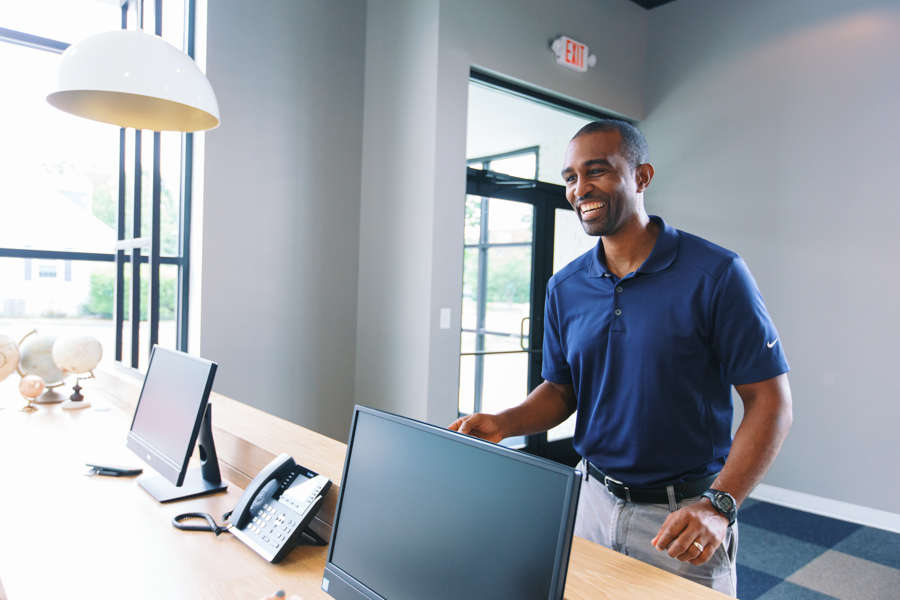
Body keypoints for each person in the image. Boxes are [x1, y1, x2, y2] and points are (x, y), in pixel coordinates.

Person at [449, 120, 792, 596]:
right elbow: (562, 390)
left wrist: (720, 505)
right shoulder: (565, 287)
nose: (579, 189)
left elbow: (771, 402)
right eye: (570, 177)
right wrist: (505, 422)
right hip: (589, 501)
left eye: (597, 172)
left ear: (642, 176)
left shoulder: (715, 273)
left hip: (682, 517)